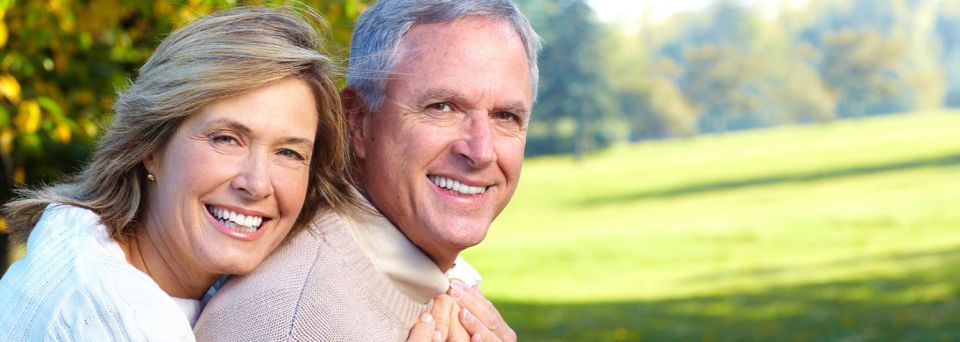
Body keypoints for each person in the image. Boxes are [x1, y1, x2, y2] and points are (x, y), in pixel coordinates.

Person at [193, 0, 540, 341]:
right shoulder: (288, 321)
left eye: (505, 116)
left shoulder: (440, 288)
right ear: (357, 121)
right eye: (442, 107)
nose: (480, 151)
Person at [0, 7, 354, 340]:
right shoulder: (109, 316)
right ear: (150, 148)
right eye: (226, 139)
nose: (257, 183)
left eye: (289, 153)